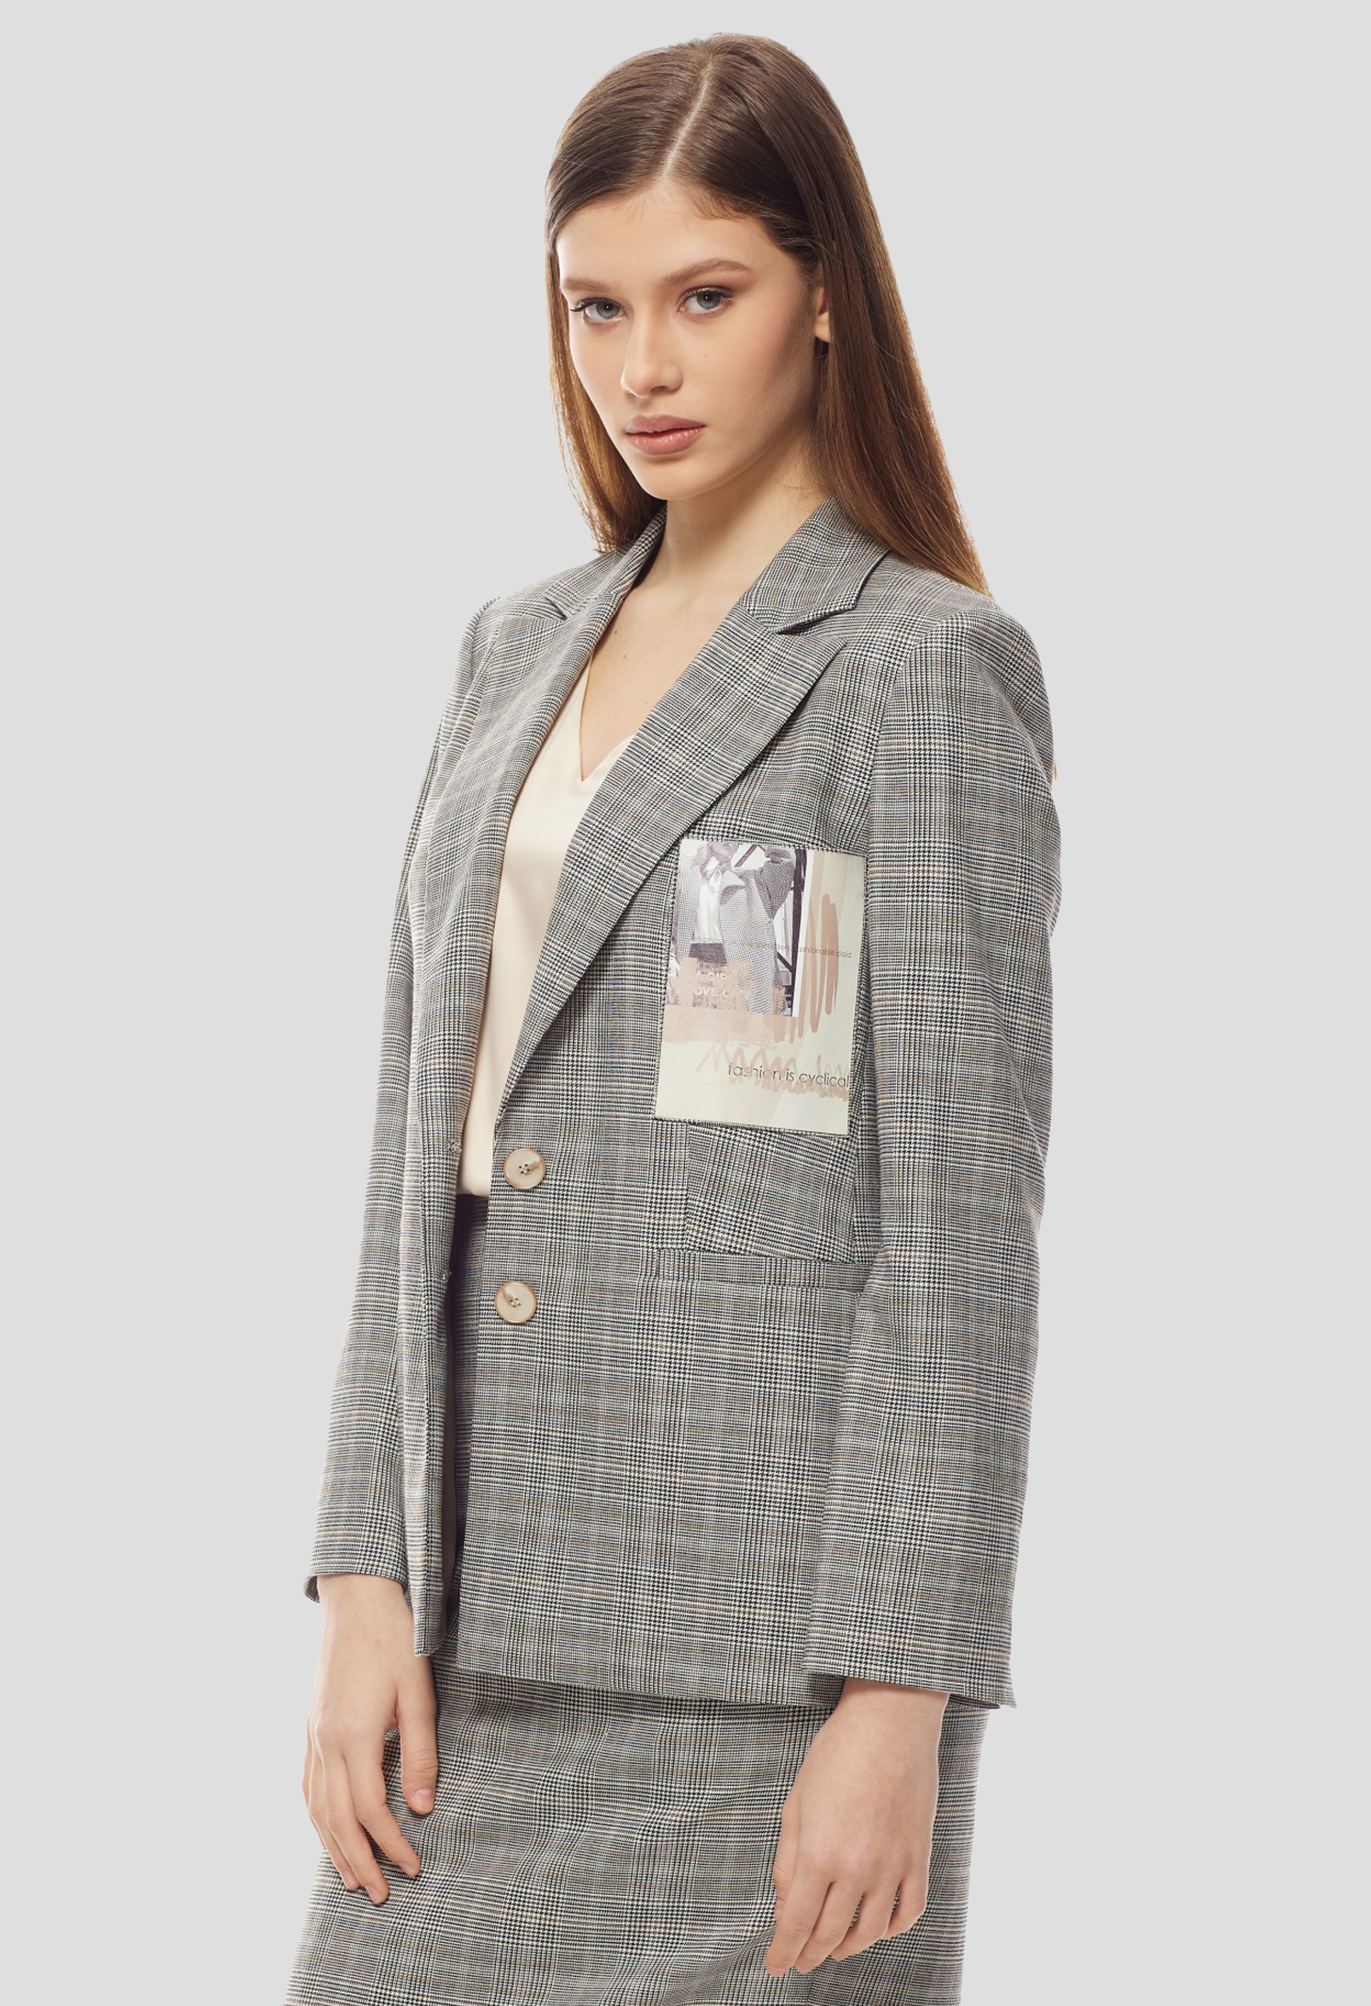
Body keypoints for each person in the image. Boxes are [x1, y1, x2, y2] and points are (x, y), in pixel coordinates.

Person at [287, 30, 1062, 2006]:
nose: (641, 366)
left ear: (824, 295)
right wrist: (362, 1578)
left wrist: (897, 1694)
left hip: (763, 1671)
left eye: (704, 297)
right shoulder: (508, 653)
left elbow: (954, 1240)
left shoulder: (920, 669)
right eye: (596, 307)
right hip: (458, 1644)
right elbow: (411, 1148)